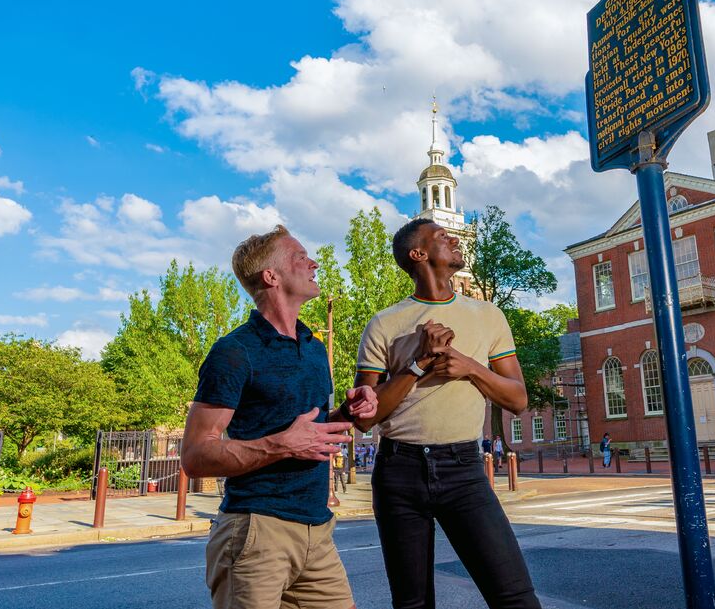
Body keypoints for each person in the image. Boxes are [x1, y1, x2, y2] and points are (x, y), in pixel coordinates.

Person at [182, 224, 378, 609]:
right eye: (300, 257)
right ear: (270, 276)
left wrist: (347, 411)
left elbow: (309, 431)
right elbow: (194, 456)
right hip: (256, 532)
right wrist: (281, 445)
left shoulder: (313, 347)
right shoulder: (235, 352)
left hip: (317, 532)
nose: (314, 263)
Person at [354, 218, 540, 609]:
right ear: (417, 254)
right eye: (442, 236)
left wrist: (470, 367)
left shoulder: (488, 315)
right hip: (398, 472)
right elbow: (365, 417)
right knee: (413, 604)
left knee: (515, 597)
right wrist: (417, 366)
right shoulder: (385, 324)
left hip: (463, 470)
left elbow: (518, 399)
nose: (453, 239)